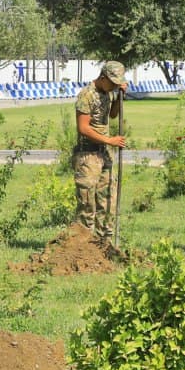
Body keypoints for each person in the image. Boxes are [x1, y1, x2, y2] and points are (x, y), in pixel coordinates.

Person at [73, 61, 127, 246]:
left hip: (105, 154)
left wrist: (120, 97)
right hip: (88, 155)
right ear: (102, 78)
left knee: (107, 200)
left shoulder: (108, 93)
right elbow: (83, 128)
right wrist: (109, 140)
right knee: (87, 203)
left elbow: (112, 115)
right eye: (112, 83)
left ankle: (105, 243)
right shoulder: (86, 95)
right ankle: (82, 245)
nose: (114, 86)